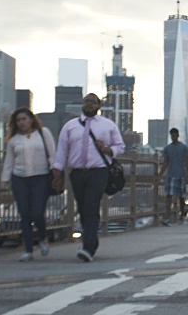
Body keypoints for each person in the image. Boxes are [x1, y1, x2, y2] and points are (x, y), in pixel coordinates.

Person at [53, 94, 125, 262]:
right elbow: (62, 150)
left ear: (99, 105)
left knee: (91, 206)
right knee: (83, 208)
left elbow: (120, 146)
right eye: (86, 101)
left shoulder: (108, 125)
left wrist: (107, 150)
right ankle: (92, 241)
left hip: (98, 172)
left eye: (93, 102)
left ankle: (87, 248)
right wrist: (57, 171)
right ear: (82, 104)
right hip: (77, 172)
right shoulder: (70, 126)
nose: (90, 104)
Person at [1, 108, 56, 262]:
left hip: (41, 177)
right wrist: (4, 182)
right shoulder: (13, 140)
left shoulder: (43, 133)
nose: (22, 122)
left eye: (24, 119)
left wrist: (55, 172)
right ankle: (28, 250)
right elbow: (8, 162)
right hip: (20, 179)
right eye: (18, 120)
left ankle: (43, 238)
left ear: (31, 119)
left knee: (37, 212)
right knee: (24, 214)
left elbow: (52, 154)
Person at [160, 128, 188, 227]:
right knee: (169, 196)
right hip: (170, 175)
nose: (173, 137)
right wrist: (160, 174)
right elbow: (165, 162)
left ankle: (182, 216)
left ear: (178, 135)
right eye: (172, 136)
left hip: (181, 175)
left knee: (181, 197)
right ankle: (168, 217)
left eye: (174, 135)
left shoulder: (184, 148)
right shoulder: (167, 148)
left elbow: (187, 162)